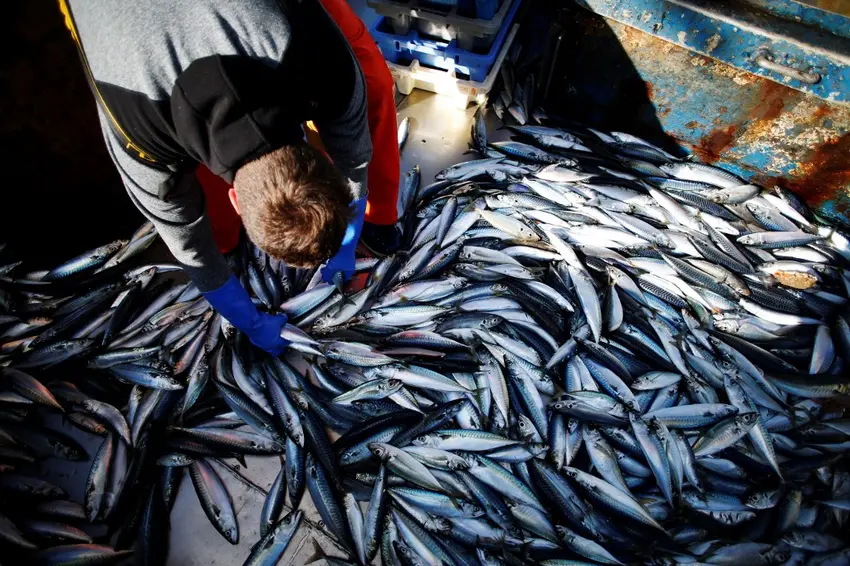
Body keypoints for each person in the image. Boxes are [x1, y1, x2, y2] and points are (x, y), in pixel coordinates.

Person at [59, 0, 401, 356]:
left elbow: (355, 159)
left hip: (255, 30)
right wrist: (249, 323)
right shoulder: (139, 139)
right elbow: (194, 253)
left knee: (370, 81)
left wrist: (345, 244)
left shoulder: (322, 58)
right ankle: (227, 243)